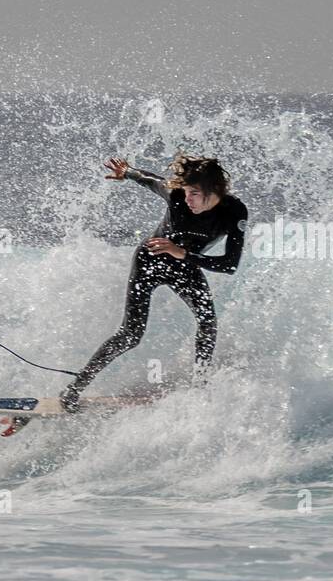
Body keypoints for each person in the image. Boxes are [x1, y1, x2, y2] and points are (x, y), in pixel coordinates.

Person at [59, 154, 249, 411]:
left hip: (185, 265)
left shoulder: (234, 212)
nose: (187, 199)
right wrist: (126, 171)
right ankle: (74, 388)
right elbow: (151, 180)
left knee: (208, 323)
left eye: (194, 193)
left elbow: (230, 265)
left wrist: (184, 255)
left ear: (213, 191)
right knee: (131, 334)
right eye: (186, 193)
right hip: (150, 261)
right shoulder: (176, 196)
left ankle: (199, 389)